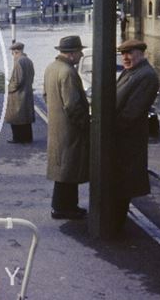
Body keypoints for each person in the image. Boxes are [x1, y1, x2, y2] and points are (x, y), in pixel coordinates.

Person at [113, 39, 159, 233]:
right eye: (123, 54)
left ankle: (116, 225)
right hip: (121, 138)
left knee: (124, 182)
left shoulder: (147, 76)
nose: (125, 57)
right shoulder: (131, 71)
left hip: (128, 139)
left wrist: (110, 130)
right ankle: (114, 220)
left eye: (130, 53)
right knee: (118, 180)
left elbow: (132, 112)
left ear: (141, 53)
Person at [43, 35, 90, 220]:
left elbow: (46, 95)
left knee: (62, 168)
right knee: (71, 169)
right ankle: (66, 208)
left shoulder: (51, 68)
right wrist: (84, 124)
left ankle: (62, 206)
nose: (80, 55)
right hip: (70, 130)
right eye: (79, 51)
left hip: (56, 126)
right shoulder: (68, 72)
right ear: (72, 54)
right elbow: (73, 105)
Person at [4, 42, 35, 143]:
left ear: (15, 52)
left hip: (18, 94)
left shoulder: (18, 62)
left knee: (16, 117)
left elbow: (17, 81)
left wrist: (9, 89)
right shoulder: (29, 60)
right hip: (27, 91)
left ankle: (17, 138)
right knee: (26, 117)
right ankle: (28, 137)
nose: (12, 56)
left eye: (13, 53)